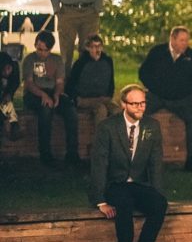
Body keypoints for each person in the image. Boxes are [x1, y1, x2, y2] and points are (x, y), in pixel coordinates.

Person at [89, 84, 167, 242]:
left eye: (143, 103)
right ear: (124, 104)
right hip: (116, 183)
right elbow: (99, 164)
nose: (141, 107)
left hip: (139, 183)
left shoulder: (152, 126)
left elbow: (155, 163)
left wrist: (158, 193)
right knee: (123, 205)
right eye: (135, 104)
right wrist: (100, 201)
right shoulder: (107, 127)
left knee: (159, 205)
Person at [139, 26, 192, 171]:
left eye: (187, 40)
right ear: (172, 39)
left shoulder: (191, 56)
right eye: (182, 40)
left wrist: (184, 92)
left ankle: (191, 159)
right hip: (157, 96)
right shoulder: (158, 52)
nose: (185, 43)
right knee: (137, 114)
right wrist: (156, 88)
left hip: (181, 99)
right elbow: (143, 73)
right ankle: (134, 157)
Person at [22, 31, 79, 165]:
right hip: (34, 93)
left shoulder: (57, 60)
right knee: (46, 110)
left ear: (50, 49)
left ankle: (72, 153)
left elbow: (60, 82)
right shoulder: (30, 59)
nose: (41, 53)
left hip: (52, 91)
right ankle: (45, 153)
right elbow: (29, 83)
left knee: (71, 110)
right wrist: (43, 95)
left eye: (45, 50)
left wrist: (57, 95)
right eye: (39, 49)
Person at [66, 34, 120, 123]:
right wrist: (77, 99)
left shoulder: (107, 61)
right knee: (101, 110)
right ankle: (101, 136)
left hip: (103, 97)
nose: (97, 50)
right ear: (88, 48)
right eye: (94, 47)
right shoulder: (80, 63)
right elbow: (71, 84)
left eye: (99, 46)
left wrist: (109, 95)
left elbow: (111, 81)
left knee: (117, 111)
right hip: (85, 99)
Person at [0, 51, 21, 142]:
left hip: (6, 98)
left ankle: (13, 125)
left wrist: (9, 93)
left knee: (8, 106)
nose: (7, 72)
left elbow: (15, 82)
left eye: (8, 68)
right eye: (3, 70)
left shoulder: (15, 67)